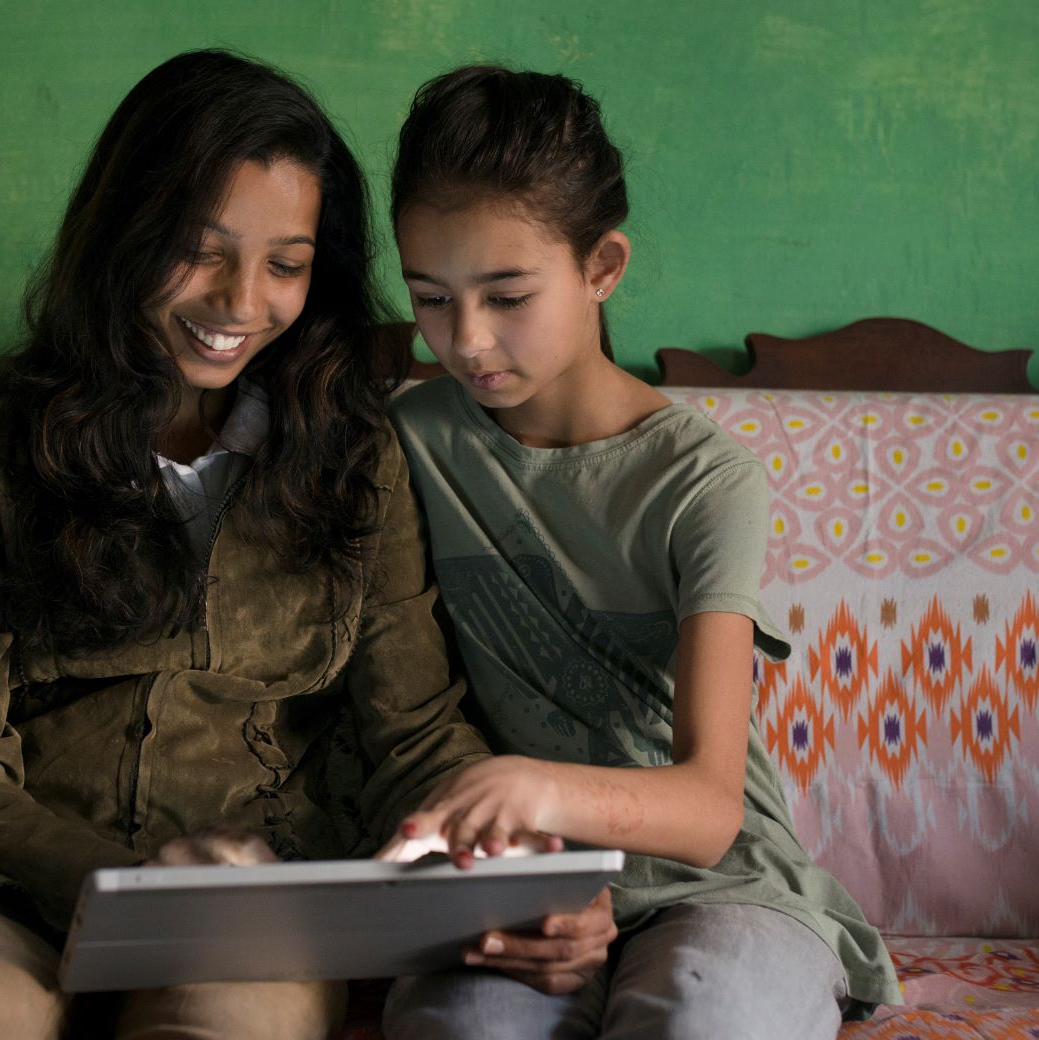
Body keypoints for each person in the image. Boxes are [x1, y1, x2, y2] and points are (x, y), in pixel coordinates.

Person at [0, 50, 612, 1040]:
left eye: (285, 264)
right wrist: (113, 876)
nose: (238, 300)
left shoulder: (356, 450)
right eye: (196, 248)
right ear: (122, 233)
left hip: (256, 900)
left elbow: (411, 732)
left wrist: (517, 872)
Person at [377, 66, 901, 1039]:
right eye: (430, 297)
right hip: (516, 892)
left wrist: (534, 781)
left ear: (601, 266)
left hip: (718, 884)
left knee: (706, 1017)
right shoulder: (411, 441)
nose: (467, 339)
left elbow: (707, 805)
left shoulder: (702, 480)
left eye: (506, 293)